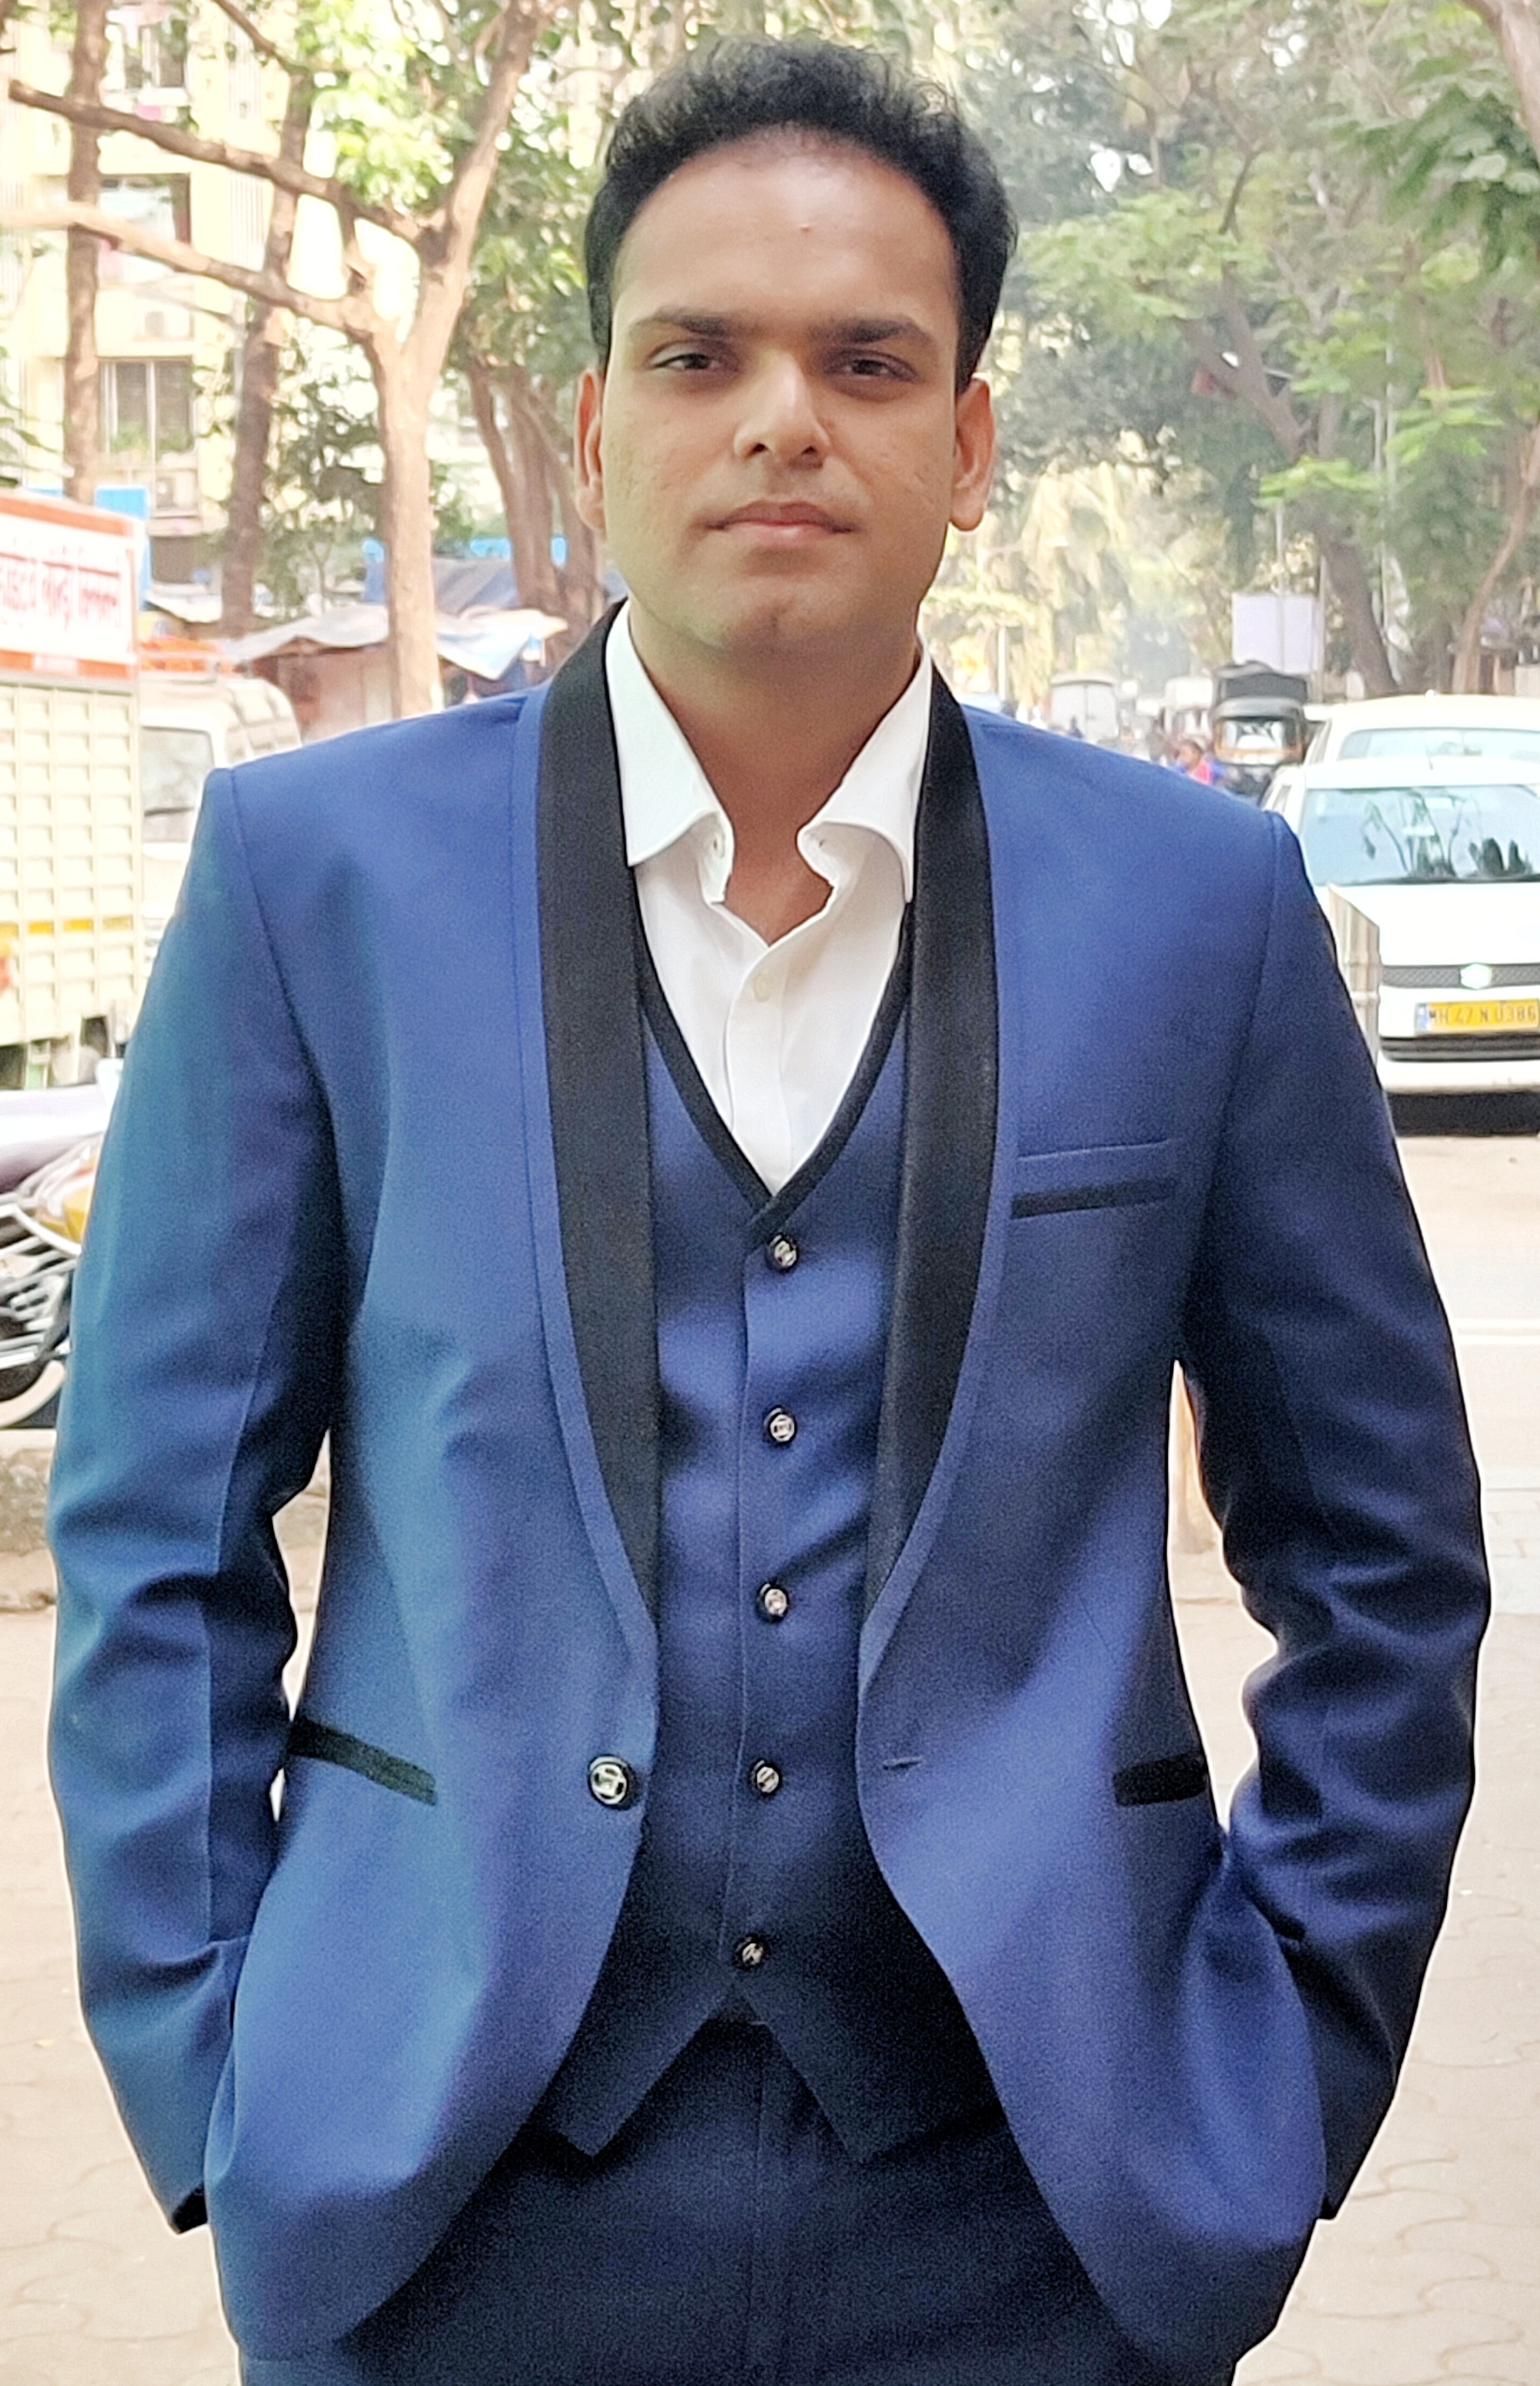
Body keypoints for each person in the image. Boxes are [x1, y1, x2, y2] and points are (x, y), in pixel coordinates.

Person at [48, 38, 1487, 2386]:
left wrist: (1288, 2066)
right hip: (442, 2204)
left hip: (1042, 2204)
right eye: (699, 355)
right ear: (596, 421)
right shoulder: (319, 883)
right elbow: (155, 1528)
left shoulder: (1200, 910)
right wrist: (218, 2068)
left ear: (973, 446)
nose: (783, 420)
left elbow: (1386, 1549)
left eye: (869, 363)